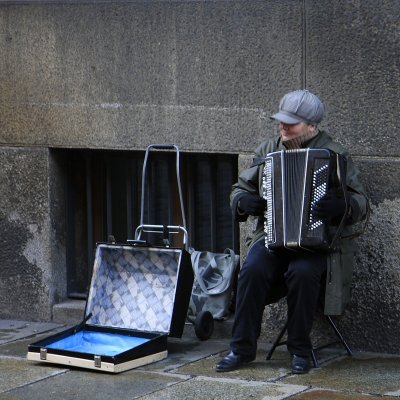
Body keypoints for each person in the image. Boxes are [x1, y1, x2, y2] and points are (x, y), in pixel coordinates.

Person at [216, 90, 369, 374]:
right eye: (281, 121)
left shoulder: (334, 154)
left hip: (317, 242)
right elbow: (241, 188)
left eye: (291, 123)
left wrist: (342, 207)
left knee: (303, 272)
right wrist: (242, 202)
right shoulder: (268, 151)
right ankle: (241, 348)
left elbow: (361, 201)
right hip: (272, 237)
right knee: (252, 270)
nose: (282, 127)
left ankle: (300, 349)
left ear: (312, 126)